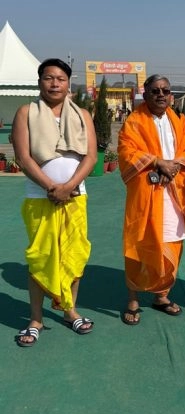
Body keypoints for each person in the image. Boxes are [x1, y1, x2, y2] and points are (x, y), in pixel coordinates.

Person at [11, 58, 98, 346]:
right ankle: (36, 319)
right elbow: (23, 157)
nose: (54, 83)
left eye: (60, 79)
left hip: (75, 197)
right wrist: (51, 187)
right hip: (40, 197)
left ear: (68, 83)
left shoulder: (82, 114)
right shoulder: (26, 112)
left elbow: (91, 157)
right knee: (40, 257)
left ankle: (70, 311)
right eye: (48, 78)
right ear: (39, 82)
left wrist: (69, 186)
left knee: (75, 255)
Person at [117, 74, 185, 325]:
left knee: (172, 242)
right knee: (140, 243)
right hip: (146, 194)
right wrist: (157, 162)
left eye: (165, 90)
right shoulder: (134, 121)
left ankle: (161, 295)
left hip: (174, 194)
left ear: (171, 95)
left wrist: (173, 167)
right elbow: (126, 152)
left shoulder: (179, 120)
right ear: (145, 94)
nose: (161, 95)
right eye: (155, 91)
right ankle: (133, 299)